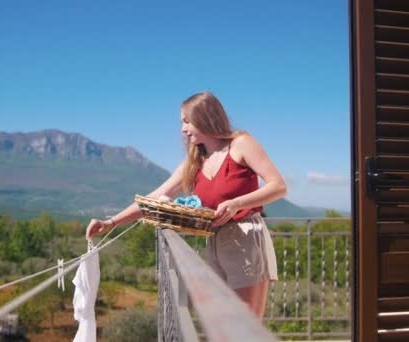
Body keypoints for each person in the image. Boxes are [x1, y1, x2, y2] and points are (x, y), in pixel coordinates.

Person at [86, 91, 287, 318]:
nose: (182, 129)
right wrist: (111, 222)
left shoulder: (241, 144)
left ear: (205, 117)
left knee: (245, 328)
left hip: (246, 239)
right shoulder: (195, 162)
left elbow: (279, 186)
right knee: (222, 326)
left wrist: (237, 203)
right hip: (216, 242)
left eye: (186, 121)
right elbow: (154, 198)